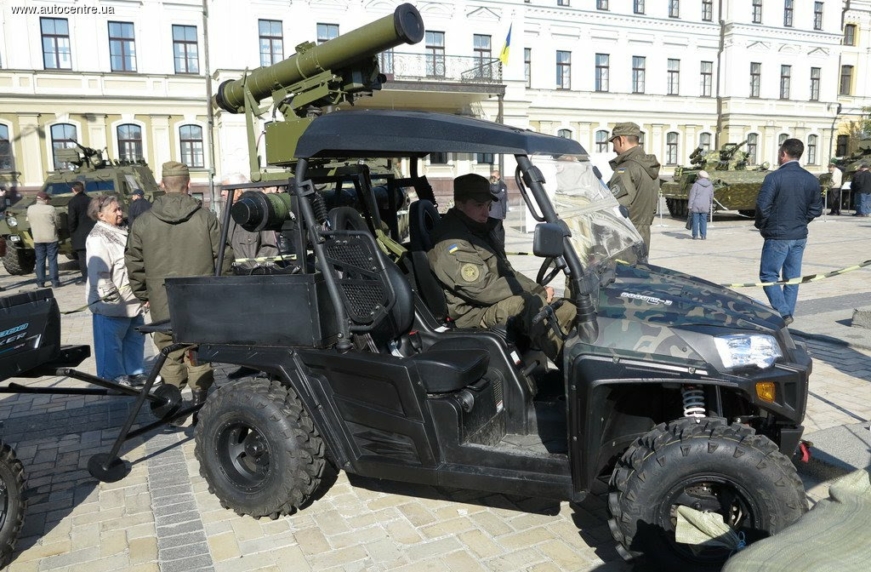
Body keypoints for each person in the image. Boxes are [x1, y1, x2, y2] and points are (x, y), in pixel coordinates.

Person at [428, 174, 576, 364]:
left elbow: (507, 272)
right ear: (459, 204)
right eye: (479, 205)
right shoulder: (452, 242)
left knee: (567, 307)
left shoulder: (478, 231)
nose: (485, 212)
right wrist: (535, 294)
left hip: (490, 303)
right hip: (473, 314)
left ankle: (585, 358)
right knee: (530, 305)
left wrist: (538, 290)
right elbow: (483, 288)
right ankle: (572, 369)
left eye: (488, 205)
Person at [126, 161, 222, 407]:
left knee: (168, 351)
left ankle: (170, 407)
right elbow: (223, 258)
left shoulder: (143, 222)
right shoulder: (206, 218)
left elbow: (134, 264)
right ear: (188, 184)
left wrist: (143, 294)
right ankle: (200, 403)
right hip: (202, 298)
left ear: (162, 185)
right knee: (199, 349)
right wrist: (221, 292)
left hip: (162, 297)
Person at [755, 138, 823, 325]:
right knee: (792, 279)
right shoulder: (811, 179)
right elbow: (816, 210)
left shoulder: (774, 177)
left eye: (779, 152)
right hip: (799, 235)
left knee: (768, 276)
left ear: (783, 154)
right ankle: (786, 317)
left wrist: (762, 225)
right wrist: (801, 221)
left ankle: (784, 313)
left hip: (778, 236)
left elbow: (762, 206)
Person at [86, 195, 146, 386]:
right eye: (115, 210)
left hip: (132, 299)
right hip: (112, 302)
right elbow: (99, 272)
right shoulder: (98, 237)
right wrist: (110, 297)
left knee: (134, 340)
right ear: (101, 215)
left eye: (120, 208)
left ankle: (134, 372)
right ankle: (113, 378)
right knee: (110, 344)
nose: (120, 213)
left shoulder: (123, 231)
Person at [607, 122, 661, 255]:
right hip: (643, 233)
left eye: (613, 143)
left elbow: (616, 207)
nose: (613, 149)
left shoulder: (627, 168)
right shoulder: (648, 166)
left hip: (625, 237)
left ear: (621, 140)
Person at [26, 191, 61, 288]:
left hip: (37, 238)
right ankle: (54, 282)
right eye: (48, 200)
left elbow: (29, 221)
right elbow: (57, 222)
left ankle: (40, 282)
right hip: (51, 238)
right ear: (45, 200)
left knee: (40, 260)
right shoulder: (51, 208)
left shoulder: (30, 208)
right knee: (52, 260)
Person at [67, 181, 95, 285]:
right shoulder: (91, 200)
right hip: (93, 232)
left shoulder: (73, 202)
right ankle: (95, 277)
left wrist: (72, 231)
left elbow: (72, 219)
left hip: (79, 233)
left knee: (83, 258)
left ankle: (86, 279)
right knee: (93, 255)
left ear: (73, 190)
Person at [688, 170, 713, 240]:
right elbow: (711, 196)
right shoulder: (710, 185)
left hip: (696, 204)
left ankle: (695, 235)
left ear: (699, 176)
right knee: (704, 221)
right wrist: (710, 203)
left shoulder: (696, 184)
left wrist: (690, 205)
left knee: (695, 220)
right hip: (705, 205)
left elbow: (692, 195)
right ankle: (703, 235)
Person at [488, 169, 509, 250]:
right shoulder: (503, 186)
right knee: (499, 232)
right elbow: (503, 201)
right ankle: (499, 249)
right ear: (499, 177)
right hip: (498, 213)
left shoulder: (488, 186)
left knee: (490, 232)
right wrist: (503, 214)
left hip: (489, 213)